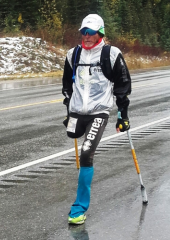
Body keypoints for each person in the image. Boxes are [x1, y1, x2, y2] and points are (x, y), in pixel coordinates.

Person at [61, 14, 132, 225]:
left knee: (86, 152)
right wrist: (68, 110)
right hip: (77, 112)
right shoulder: (72, 54)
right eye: (84, 31)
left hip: (98, 112)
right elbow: (67, 85)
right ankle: (76, 130)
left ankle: (78, 208)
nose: (87, 36)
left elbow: (122, 86)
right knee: (72, 134)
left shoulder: (111, 55)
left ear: (100, 33)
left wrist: (122, 116)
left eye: (91, 32)